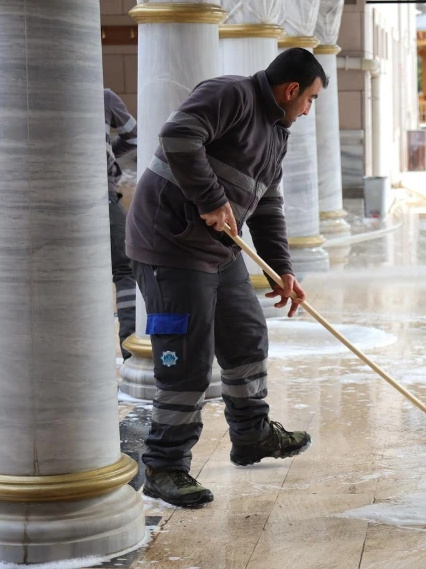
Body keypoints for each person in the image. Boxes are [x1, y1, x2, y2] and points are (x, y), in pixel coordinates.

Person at [126, 48, 327, 507]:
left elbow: (268, 205)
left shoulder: (277, 131)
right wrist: (211, 198)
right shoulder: (230, 93)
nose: (308, 109)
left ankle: (252, 434)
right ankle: (164, 465)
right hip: (170, 245)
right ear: (292, 90)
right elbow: (178, 136)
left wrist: (282, 271)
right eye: (310, 99)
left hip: (219, 250)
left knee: (246, 338)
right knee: (188, 359)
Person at [104, 88, 138, 357]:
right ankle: (130, 347)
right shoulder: (104, 96)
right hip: (100, 195)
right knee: (126, 270)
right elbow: (134, 137)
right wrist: (107, 154)